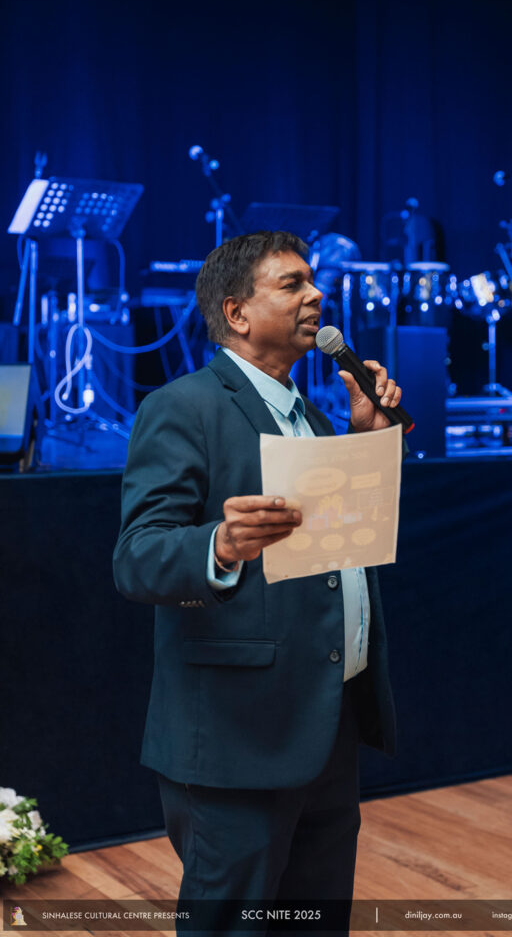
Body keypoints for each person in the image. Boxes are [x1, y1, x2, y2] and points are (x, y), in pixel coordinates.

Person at [112, 231, 405, 936]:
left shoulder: (314, 416)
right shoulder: (183, 406)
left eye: (313, 281)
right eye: (292, 284)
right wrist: (218, 543)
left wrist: (366, 441)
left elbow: (340, 550)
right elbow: (136, 557)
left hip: (324, 718)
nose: (316, 295)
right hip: (237, 737)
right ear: (237, 313)